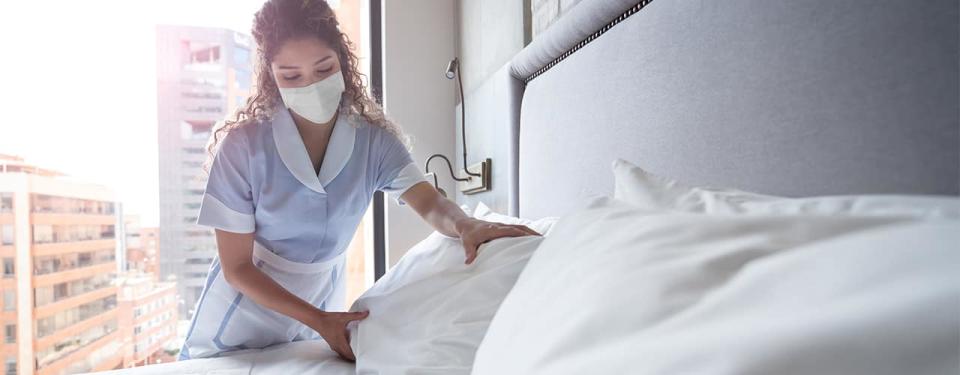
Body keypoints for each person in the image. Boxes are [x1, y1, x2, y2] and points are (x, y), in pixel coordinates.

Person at [178, 0, 539, 362]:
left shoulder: (373, 141)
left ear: (343, 62)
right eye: (291, 76)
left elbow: (428, 202)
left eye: (324, 68)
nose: (311, 84)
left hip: (319, 313)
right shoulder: (242, 148)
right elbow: (236, 267)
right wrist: (317, 319)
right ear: (270, 76)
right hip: (241, 317)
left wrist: (466, 225)